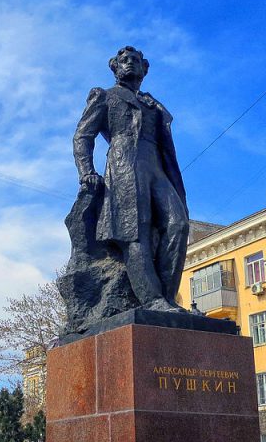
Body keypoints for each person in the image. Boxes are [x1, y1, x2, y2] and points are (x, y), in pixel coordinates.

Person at [72, 46, 189, 312]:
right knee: (135, 231)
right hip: (124, 164)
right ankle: (152, 300)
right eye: (124, 61)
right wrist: (86, 171)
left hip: (157, 167)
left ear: (144, 68)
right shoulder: (104, 96)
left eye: (135, 61)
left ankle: (168, 298)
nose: (130, 64)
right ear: (114, 67)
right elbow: (82, 136)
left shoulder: (151, 103)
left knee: (178, 224)